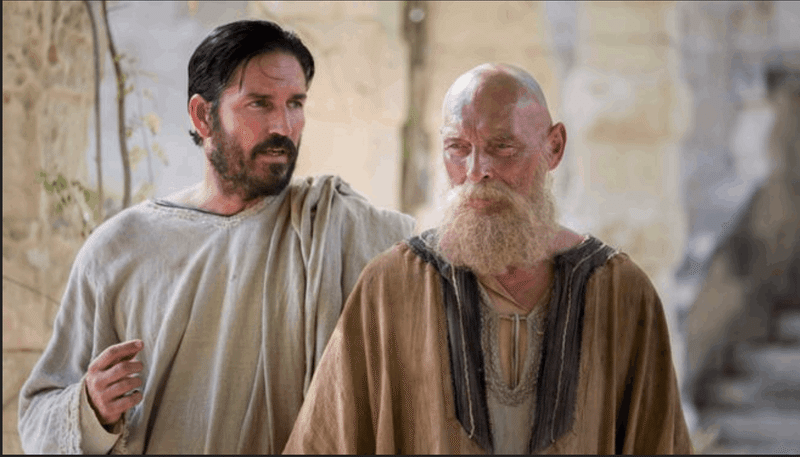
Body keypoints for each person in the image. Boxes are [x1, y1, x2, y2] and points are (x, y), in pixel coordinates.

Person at [18, 20, 414, 454]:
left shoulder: (333, 228)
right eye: (260, 104)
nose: (283, 126)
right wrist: (91, 407)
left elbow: (428, 278)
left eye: (295, 103)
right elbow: (39, 416)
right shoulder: (121, 247)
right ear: (203, 115)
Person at [283, 63, 693, 454]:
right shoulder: (392, 286)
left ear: (554, 148)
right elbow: (327, 439)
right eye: (458, 149)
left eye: (502, 147)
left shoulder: (622, 292)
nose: (477, 170)